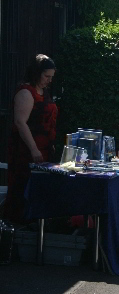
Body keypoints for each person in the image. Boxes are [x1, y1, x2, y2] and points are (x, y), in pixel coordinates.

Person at [4, 54, 57, 223]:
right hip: (26, 152)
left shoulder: (44, 92)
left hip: (44, 150)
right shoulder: (26, 93)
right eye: (46, 76)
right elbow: (20, 122)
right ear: (36, 73)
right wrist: (34, 148)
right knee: (23, 191)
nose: (49, 80)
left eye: (51, 77)